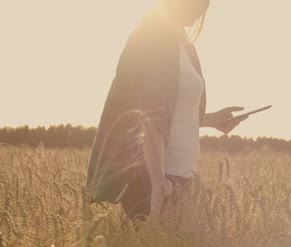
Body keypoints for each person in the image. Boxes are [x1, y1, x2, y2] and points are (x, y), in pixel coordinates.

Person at [84, 0, 249, 226]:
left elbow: (173, 110)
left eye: (203, 9)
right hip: (153, 174)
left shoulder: (184, 48)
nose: (197, 15)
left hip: (180, 172)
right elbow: (149, 116)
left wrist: (211, 120)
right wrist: (157, 180)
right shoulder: (152, 40)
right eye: (195, 6)